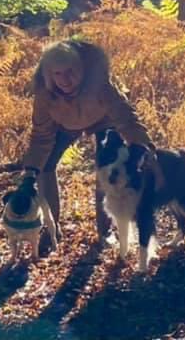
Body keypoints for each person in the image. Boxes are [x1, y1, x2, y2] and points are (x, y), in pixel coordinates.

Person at [19, 38, 154, 250]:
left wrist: (146, 147)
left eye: (70, 71)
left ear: (81, 69)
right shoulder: (45, 94)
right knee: (45, 167)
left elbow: (126, 119)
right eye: (58, 74)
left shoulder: (101, 85)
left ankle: (105, 231)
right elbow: (41, 136)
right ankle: (51, 230)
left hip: (104, 119)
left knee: (106, 168)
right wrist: (30, 172)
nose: (65, 79)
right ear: (49, 75)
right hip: (64, 123)